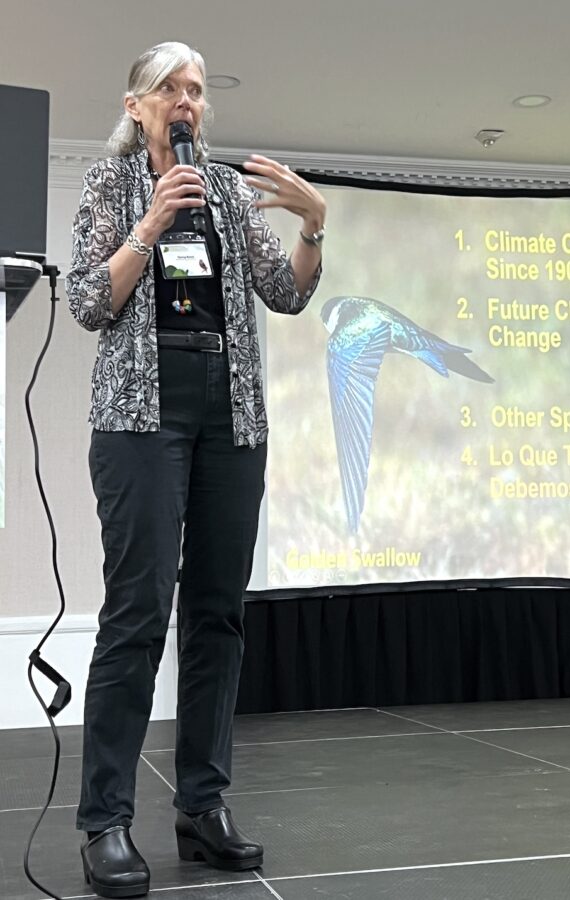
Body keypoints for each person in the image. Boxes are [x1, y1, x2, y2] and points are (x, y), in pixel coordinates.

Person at [66, 41, 326, 899]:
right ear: (137, 104)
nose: (188, 102)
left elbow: (283, 295)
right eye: (171, 89)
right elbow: (86, 303)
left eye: (197, 91)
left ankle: (202, 807)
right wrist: (146, 228)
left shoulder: (221, 189)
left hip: (230, 420)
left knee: (217, 615)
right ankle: (106, 821)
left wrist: (313, 225)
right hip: (142, 420)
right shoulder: (109, 185)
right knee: (137, 615)